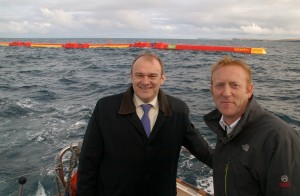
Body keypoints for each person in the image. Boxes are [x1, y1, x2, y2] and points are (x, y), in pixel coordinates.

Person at [77, 52, 213, 196]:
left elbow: (203, 151)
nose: (145, 81)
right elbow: (88, 161)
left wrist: (235, 166)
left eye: (152, 76)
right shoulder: (105, 108)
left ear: (162, 79)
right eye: (139, 75)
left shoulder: (178, 110)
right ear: (131, 77)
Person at [203, 56, 300, 195]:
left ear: (249, 90)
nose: (226, 93)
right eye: (219, 85)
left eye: (234, 85)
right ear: (212, 90)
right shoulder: (225, 128)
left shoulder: (279, 137)